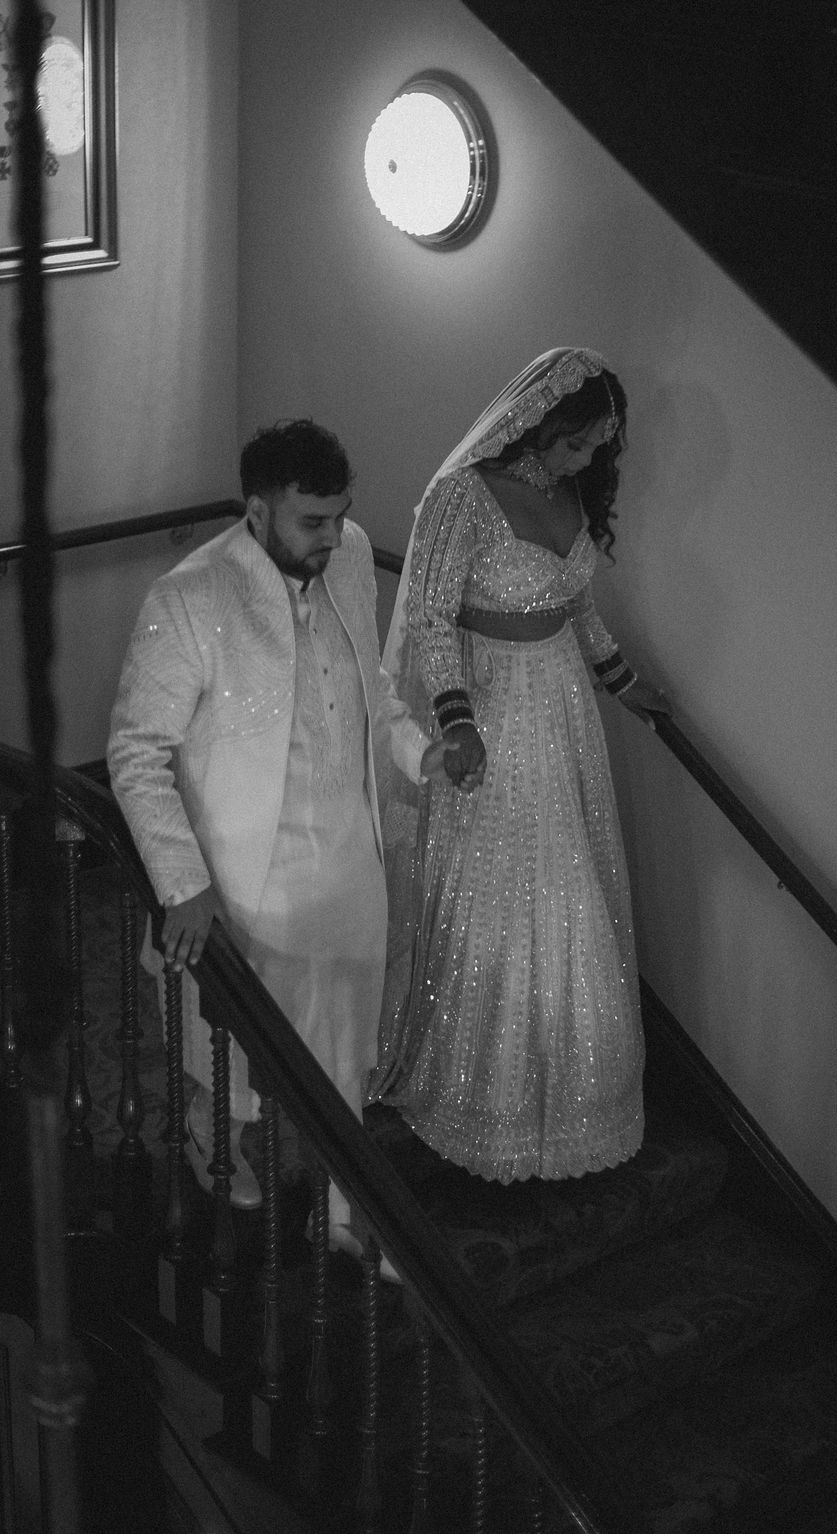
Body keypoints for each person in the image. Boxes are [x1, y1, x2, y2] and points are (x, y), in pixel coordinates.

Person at [108, 419, 456, 1263]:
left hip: (347, 853)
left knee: (344, 1041)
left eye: (341, 515)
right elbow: (136, 752)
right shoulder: (189, 596)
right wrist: (183, 883)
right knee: (239, 1043)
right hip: (247, 868)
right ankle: (210, 1127)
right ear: (258, 512)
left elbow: (373, 689)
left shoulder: (349, 557)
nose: (334, 537)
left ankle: (341, 1209)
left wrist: (422, 753)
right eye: (313, 521)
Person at [373, 347, 667, 1182]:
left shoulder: (571, 494)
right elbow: (430, 618)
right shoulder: (461, 497)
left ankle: (575, 1102)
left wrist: (626, 684)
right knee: (497, 887)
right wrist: (456, 720)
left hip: (562, 704)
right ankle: (481, 1098)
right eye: (574, 444)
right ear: (539, 422)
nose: (581, 461)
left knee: (570, 883)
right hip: (490, 703)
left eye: (595, 448)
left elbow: (576, 605)